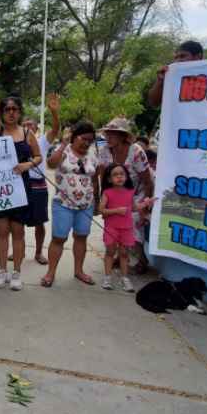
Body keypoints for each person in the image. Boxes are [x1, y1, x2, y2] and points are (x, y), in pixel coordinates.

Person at [0, 63, 42, 291]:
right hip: (0, 189)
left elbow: (38, 157)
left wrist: (28, 164)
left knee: (18, 232)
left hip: (21, 189)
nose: (10, 112)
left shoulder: (28, 133)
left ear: (20, 111)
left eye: (14, 109)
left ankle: (16, 272)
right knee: (1, 232)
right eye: (6, 109)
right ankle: (2, 271)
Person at [41, 122, 99, 287]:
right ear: (75, 136)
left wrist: (97, 201)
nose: (87, 143)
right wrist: (64, 143)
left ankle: (79, 271)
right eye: (84, 138)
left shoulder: (93, 156)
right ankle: (50, 273)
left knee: (81, 237)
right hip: (63, 204)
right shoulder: (63, 151)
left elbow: (95, 180)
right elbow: (51, 164)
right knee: (59, 238)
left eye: (90, 140)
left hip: (85, 205)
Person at [97, 117, 154, 275]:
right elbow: (103, 180)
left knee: (133, 225)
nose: (108, 137)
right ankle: (120, 256)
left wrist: (145, 207)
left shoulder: (136, 151)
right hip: (116, 194)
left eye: (113, 134)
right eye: (107, 134)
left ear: (123, 136)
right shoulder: (104, 151)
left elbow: (148, 182)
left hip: (138, 194)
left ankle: (142, 260)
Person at [21, 93, 61, 265]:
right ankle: (18, 251)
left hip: (38, 185)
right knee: (18, 221)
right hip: (21, 184)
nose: (28, 126)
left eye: (31, 124)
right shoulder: (15, 140)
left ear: (37, 128)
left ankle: (38, 253)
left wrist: (54, 113)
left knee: (39, 221)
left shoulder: (43, 141)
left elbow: (56, 129)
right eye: (25, 124)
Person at [99, 164, 140, 291]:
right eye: (115, 175)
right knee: (110, 252)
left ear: (126, 176)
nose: (119, 177)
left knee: (124, 254)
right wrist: (116, 210)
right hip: (112, 227)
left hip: (126, 228)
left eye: (122, 174)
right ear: (109, 179)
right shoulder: (107, 193)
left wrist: (147, 203)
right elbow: (101, 210)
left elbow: (133, 208)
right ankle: (107, 277)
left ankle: (125, 278)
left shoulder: (130, 192)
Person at [147, 40, 204, 108]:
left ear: (198, 57)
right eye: (176, 58)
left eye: (182, 56)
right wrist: (160, 81)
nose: (177, 61)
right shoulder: (171, 77)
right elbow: (153, 103)